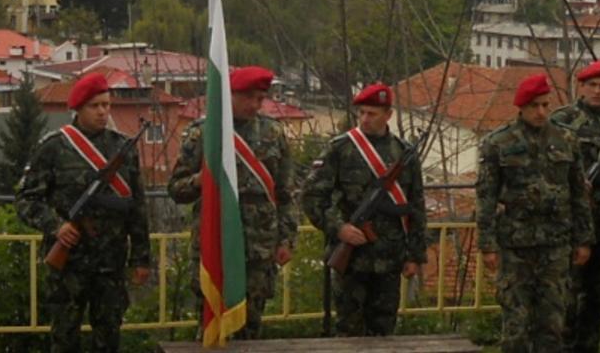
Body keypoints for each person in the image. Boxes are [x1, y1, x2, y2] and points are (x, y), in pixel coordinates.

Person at [16, 72, 150, 352]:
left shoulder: (122, 148)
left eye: (106, 105)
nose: (103, 112)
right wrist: (56, 226)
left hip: (110, 263)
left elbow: (137, 207)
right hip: (70, 264)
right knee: (65, 338)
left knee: (108, 337)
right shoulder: (54, 147)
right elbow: (27, 199)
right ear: (78, 108)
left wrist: (141, 257)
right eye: (95, 106)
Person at [168, 66, 297, 339]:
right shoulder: (204, 133)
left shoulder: (274, 134)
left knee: (251, 327)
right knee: (212, 327)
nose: (254, 105)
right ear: (229, 95)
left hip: (258, 248)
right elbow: (176, 189)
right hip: (215, 244)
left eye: (260, 99)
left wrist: (286, 240)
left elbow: (285, 194)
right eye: (247, 97)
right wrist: (198, 181)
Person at [476, 74, 593, 352]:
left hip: (556, 244)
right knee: (516, 324)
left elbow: (579, 192)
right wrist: (487, 245)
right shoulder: (498, 142)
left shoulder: (565, 139)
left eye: (545, 105)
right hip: (516, 246)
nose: (541, 112)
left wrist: (584, 239)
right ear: (521, 107)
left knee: (552, 323)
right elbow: (486, 197)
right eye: (534, 106)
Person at [303, 82, 428, 336]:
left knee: (384, 329)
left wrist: (415, 255)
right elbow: (312, 196)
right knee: (348, 330)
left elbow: (415, 206)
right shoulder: (341, 148)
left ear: (388, 115)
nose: (365, 119)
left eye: (372, 113)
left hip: (390, 259)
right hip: (353, 261)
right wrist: (339, 229)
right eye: (361, 113)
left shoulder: (403, 153)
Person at [549, 60, 600, 353]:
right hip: (571, 221)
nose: (597, 91)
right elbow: (545, 160)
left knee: (599, 292)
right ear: (582, 87)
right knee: (569, 292)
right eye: (592, 85)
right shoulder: (562, 120)